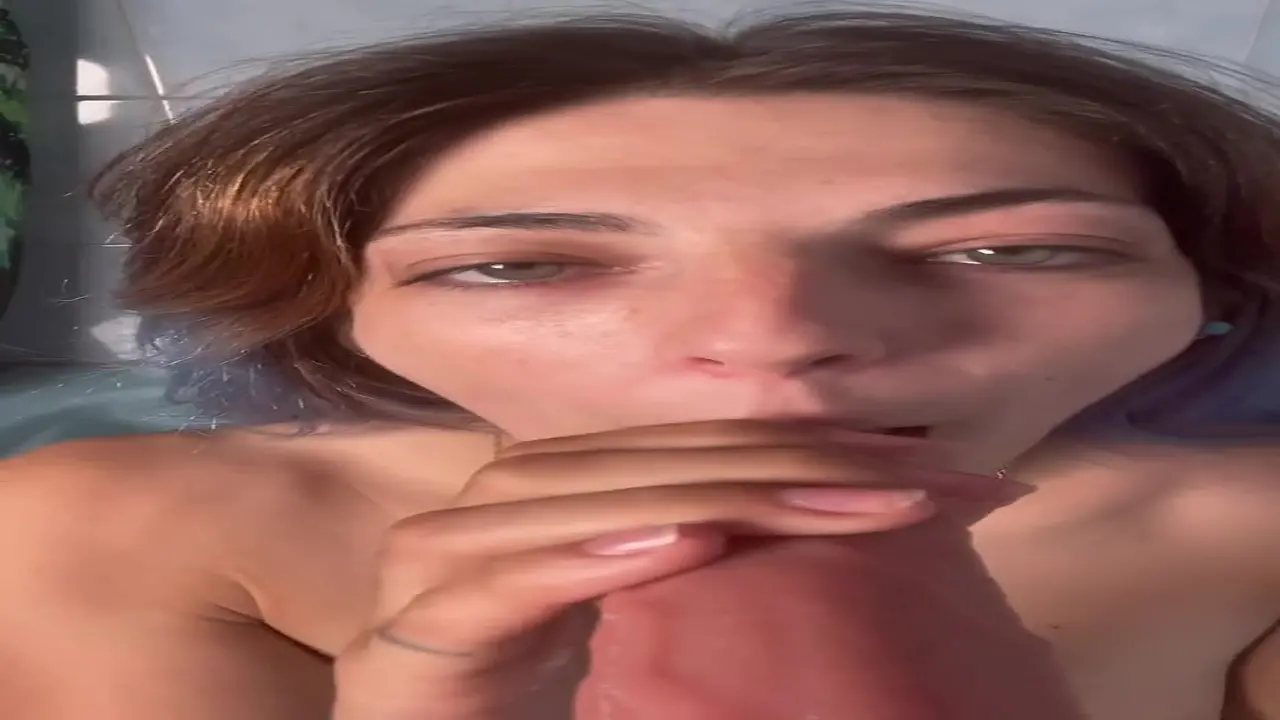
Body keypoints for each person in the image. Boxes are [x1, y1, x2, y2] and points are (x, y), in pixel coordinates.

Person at [1, 7, 1279, 719]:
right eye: (519, 265)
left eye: (1004, 250)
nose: (777, 336)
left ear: (1207, 302)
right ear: (335, 325)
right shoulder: (122, 530)